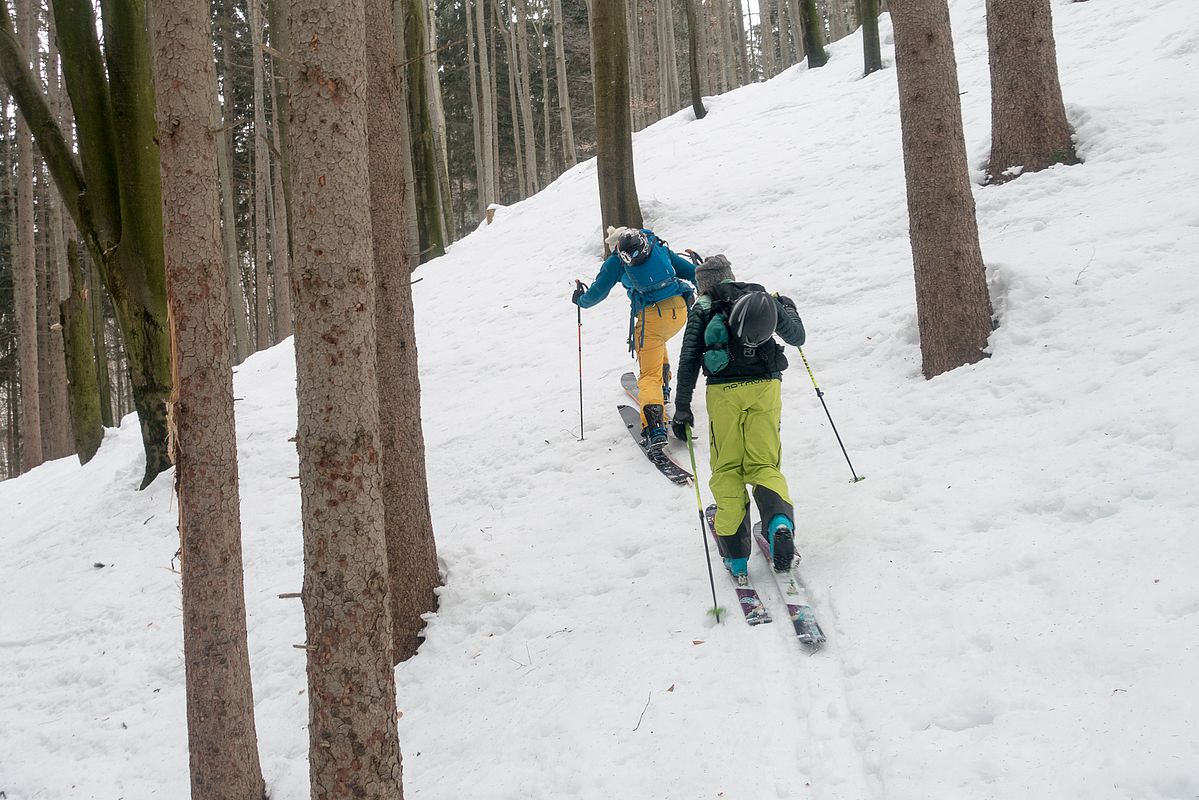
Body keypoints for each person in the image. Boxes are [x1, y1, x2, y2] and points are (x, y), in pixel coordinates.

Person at [670, 254, 806, 577]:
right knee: (763, 463)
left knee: (728, 467)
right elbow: (797, 337)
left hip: (724, 393)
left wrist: (682, 407)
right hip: (766, 387)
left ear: (703, 285)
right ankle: (779, 524)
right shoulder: (757, 295)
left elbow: (689, 359)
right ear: (731, 276)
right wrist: (788, 308)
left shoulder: (702, 307)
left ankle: (736, 556)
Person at [572, 226, 697, 450]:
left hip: (652, 316)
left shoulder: (617, 262)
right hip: (679, 310)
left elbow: (597, 293)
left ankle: (655, 427)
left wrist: (581, 300)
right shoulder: (656, 246)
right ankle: (664, 388)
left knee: (648, 374)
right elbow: (690, 271)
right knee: (659, 342)